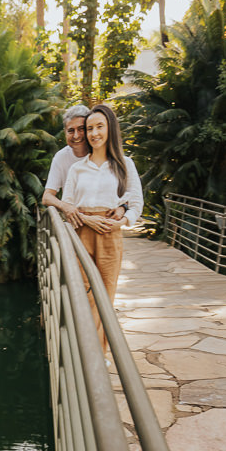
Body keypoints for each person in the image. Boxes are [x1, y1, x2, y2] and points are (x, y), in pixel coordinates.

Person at [61, 103, 143, 354]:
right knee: (83, 293)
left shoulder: (124, 164)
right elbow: (67, 205)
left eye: (99, 127)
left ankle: (99, 353)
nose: (94, 133)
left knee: (105, 296)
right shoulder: (77, 168)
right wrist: (87, 219)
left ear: (110, 128)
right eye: (89, 128)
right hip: (82, 232)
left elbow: (136, 202)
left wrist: (122, 218)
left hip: (110, 234)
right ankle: (84, 350)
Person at [42, 103, 128, 226]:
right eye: (71, 131)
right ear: (65, 133)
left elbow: (129, 191)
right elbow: (47, 197)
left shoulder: (105, 154)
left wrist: (123, 207)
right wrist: (66, 207)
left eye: (81, 129)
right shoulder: (62, 157)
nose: (76, 135)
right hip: (77, 223)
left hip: (108, 223)